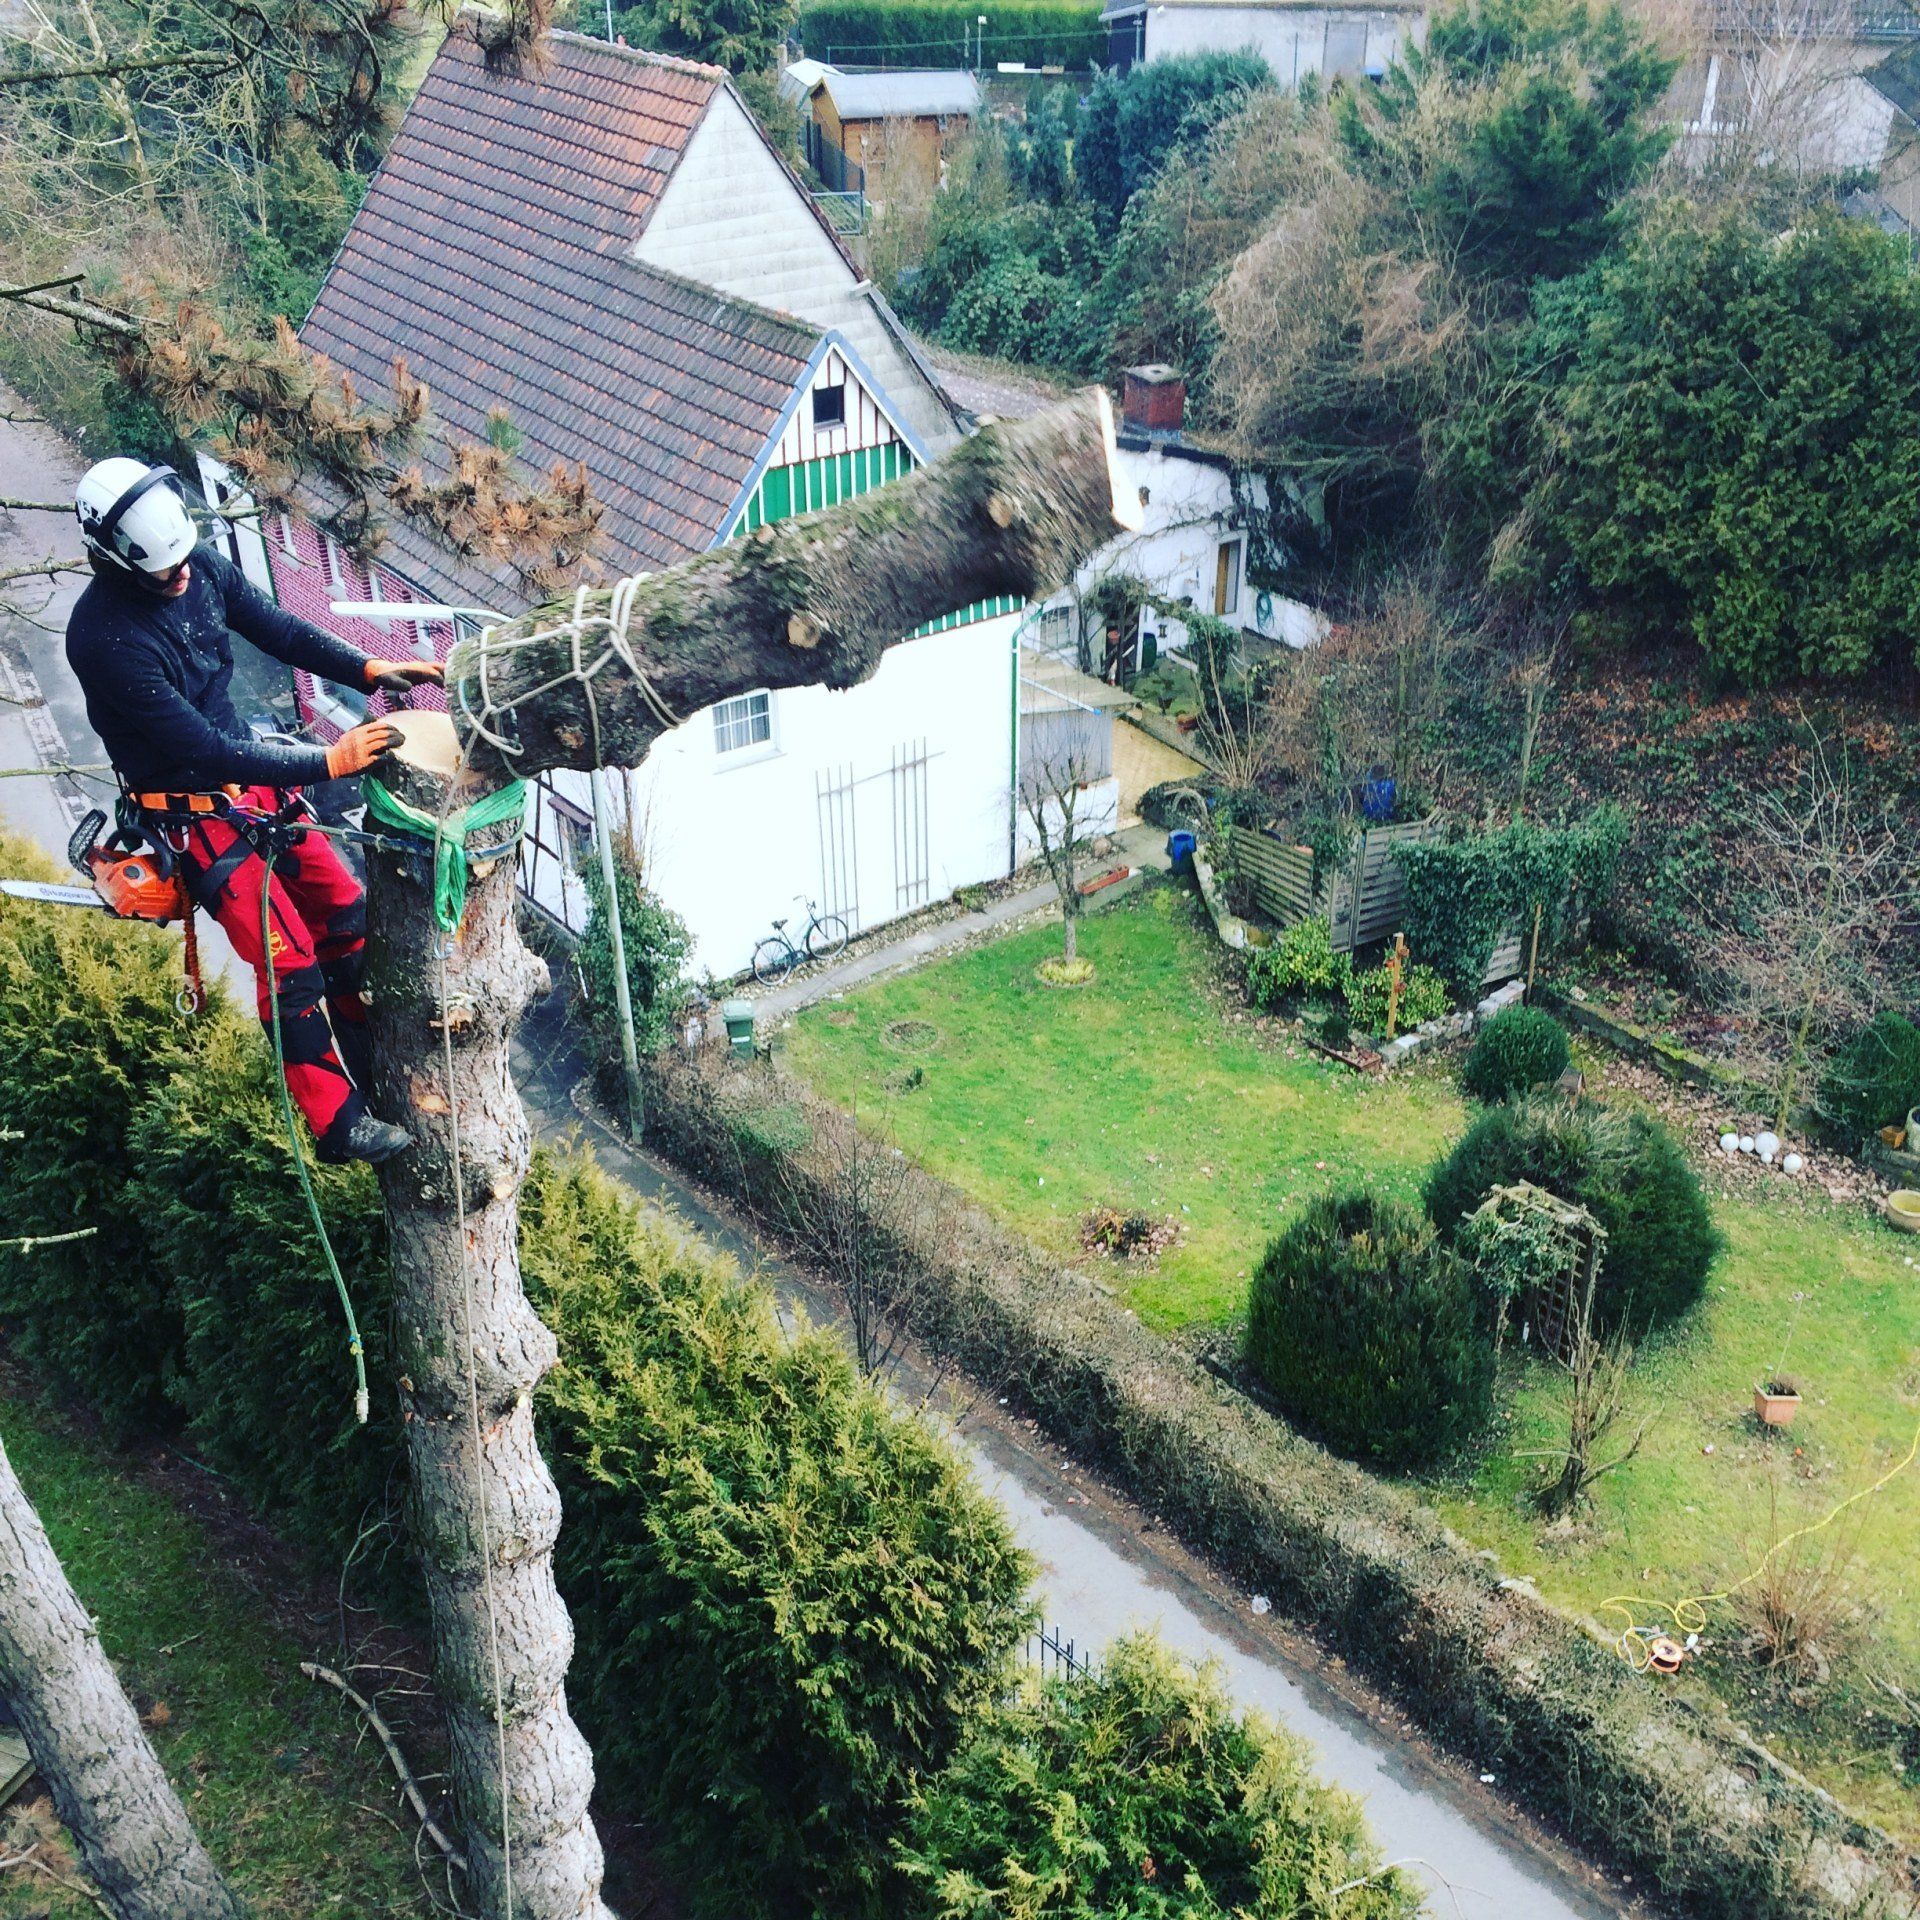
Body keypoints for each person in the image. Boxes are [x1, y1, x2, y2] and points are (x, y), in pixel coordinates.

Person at [65, 458, 444, 1165]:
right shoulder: (103, 640)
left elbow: (277, 628)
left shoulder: (197, 567)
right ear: (115, 559)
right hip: (195, 815)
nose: (179, 578)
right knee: (289, 962)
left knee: (347, 917)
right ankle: (336, 1124)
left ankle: (377, 1066)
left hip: (254, 784)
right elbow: (203, 749)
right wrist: (328, 761)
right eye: (162, 572)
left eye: (181, 563)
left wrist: (366, 669)